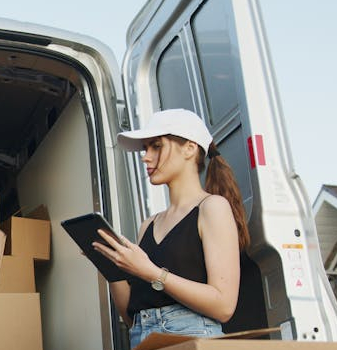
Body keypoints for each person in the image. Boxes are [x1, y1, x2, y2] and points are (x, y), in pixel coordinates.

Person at [93, 109, 249, 348]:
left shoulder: (212, 207)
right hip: (142, 338)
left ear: (189, 148)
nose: (146, 157)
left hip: (192, 336)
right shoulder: (148, 224)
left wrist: (152, 272)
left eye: (156, 146)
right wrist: (109, 264)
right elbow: (131, 317)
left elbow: (224, 305)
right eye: (146, 149)